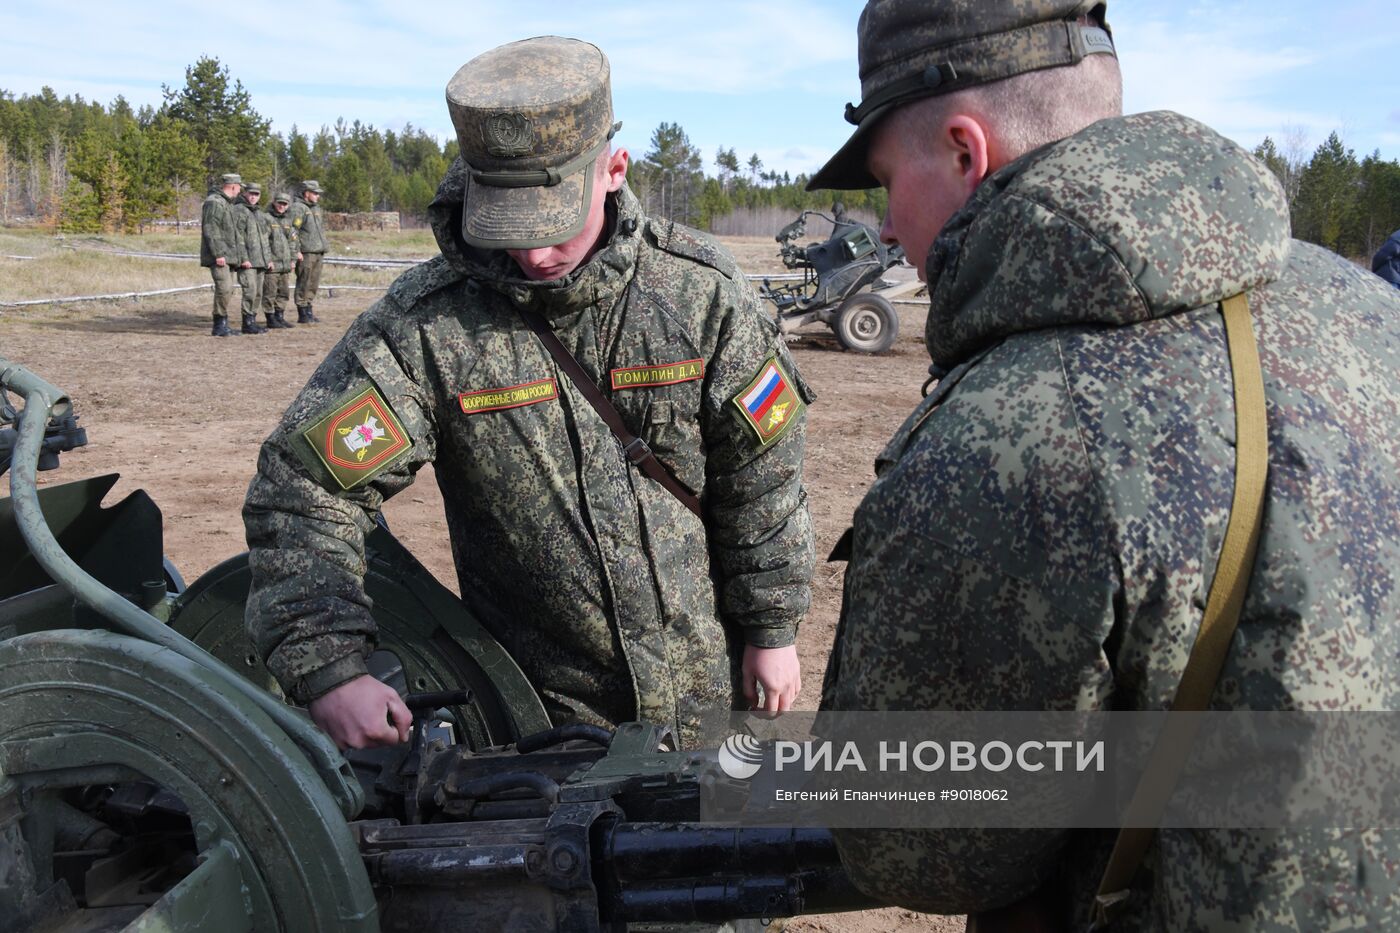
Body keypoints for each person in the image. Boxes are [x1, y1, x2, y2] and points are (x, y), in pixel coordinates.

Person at [812, 1, 1400, 929]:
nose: (887, 227)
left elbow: (913, 842)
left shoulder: (1003, 440)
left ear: (967, 153)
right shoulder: (1371, 317)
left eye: (889, 181)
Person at [243, 36, 814, 753]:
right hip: (540, 736)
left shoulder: (700, 296)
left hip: (711, 702)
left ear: (613, 170)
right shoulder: (429, 327)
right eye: (509, 227)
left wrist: (772, 625)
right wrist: (328, 665)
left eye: (551, 225)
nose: (533, 255)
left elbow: (762, 477)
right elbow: (304, 485)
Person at [199, 173, 243, 337]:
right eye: (239, 187)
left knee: (228, 289)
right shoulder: (214, 202)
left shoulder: (226, 203)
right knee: (224, 288)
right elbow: (210, 228)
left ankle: (223, 323)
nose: (239, 191)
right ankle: (219, 324)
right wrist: (218, 253)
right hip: (220, 256)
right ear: (233, 186)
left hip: (229, 255)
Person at [233, 182, 270, 335]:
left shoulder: (259, 213)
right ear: (245, 193)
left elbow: (264, 238)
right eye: (251, 194)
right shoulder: (239, 211)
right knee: (250, 291)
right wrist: (243, 258)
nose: (254, 197)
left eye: (257, 194)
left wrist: (268, 258)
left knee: (258, 293)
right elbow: (237, 237)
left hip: (260, 260)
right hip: (247, 261)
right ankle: (247, 322)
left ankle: (252, 320)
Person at [289, 179, 327, 323]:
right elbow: (293, 230)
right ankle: (302, 311)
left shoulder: (316, 209)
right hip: (306, 252)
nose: (318, 196)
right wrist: (296, 250)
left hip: (318, 251)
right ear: (306, 193)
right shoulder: (298, 208)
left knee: (313, 282)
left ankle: (309, 307)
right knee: (304, 281)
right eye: (315, 193)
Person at [262, 191, 297, 329]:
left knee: (283, 292)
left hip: (285, 264)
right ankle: (270, 319)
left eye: (285, 204)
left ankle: (279, 317)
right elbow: (264, 241)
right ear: (274, 202)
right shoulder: (266, 218)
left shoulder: (288, 220)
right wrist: (268, 259)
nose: (282, 206)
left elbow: (293, 241)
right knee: (270, 292)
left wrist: (293, 259)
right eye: (279, 203)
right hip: (273, 264)